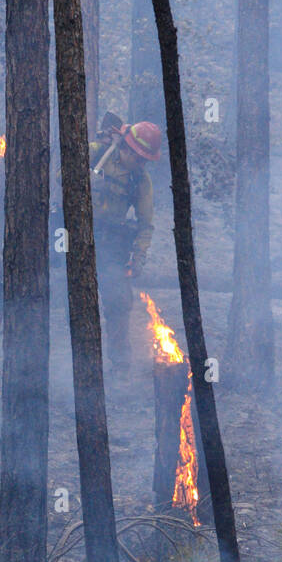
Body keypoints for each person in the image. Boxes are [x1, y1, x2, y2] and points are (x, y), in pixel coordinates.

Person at [53, 115, 160, 377]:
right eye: (140, 157)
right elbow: (59, 176)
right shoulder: (94, 153)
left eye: (146, 159)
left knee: (119, 302)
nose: (142, 163)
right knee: (77, 302)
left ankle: (120, 365)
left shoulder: (140, 181)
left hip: (112, 246)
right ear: (127, 148)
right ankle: (82, 364)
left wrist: (140, 256)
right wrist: (82, 179)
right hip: (77, 236)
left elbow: (146, 225)